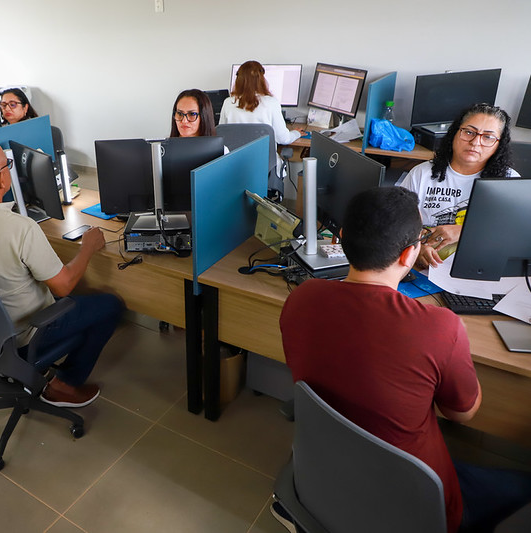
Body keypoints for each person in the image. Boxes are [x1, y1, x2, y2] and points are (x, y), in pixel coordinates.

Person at [279, 186, 531, 533]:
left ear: (341, 238)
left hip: (331, 476)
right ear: (409, 254)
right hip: (416, 504)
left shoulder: (301, 298)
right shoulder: (439, 327)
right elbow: (462, 413)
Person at [0, 138, 124, 408]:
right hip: (24, 335)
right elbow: (63, 287)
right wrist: (87, 248)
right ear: (1, 179)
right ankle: (66, 384)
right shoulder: (20, 228)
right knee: (110, 306)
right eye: (7, 165)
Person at [398, 103, 518, 268]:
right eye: (469, 132)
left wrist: (462, 231)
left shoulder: (510, 180)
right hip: (425, 268)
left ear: (499, 144)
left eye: (488, 137)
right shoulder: (421, 173)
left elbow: (515, 233)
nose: (475, 142)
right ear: (455, 133)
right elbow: (398, 222)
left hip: (482, 268)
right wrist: (417, 248)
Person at [219, 60, 303, 145]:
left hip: (235, 154)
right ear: (261, 80)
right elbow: (283, 139)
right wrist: (296, 133)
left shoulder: (228, 103)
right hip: (263, 154)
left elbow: (221, 135)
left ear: (238, 80)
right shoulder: (271, 103)